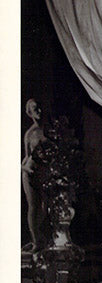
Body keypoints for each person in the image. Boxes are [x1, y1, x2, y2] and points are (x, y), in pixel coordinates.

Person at [22, 98, 46, 251]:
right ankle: (36, 240)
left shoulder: (47, 129)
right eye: (35, 109)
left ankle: (38, 236)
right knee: (33, 206)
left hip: (43, 173)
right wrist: (25, 169)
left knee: (44, 206)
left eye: (39, 108)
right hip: (30, 172)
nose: (39, 111)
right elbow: (27, 157)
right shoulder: (30, 133)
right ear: (30, 113)